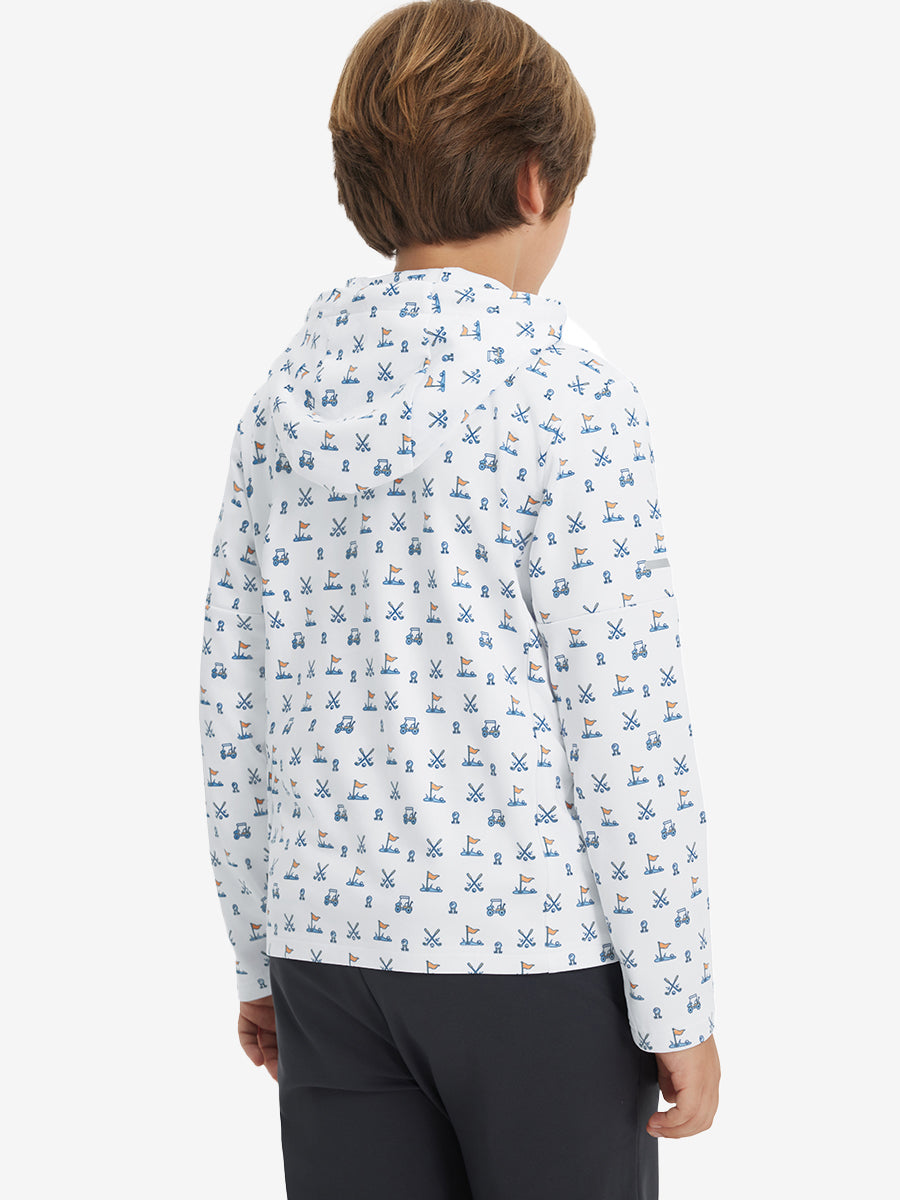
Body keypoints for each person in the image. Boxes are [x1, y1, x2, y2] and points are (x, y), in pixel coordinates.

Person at [197, 2, 720, 1196]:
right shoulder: (568, 401)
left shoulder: (282, 406)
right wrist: (677, 998)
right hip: (533, 962)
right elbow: (625, 725)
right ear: (537, 183)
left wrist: (258, 959)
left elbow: (236, 708)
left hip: (328, 953)